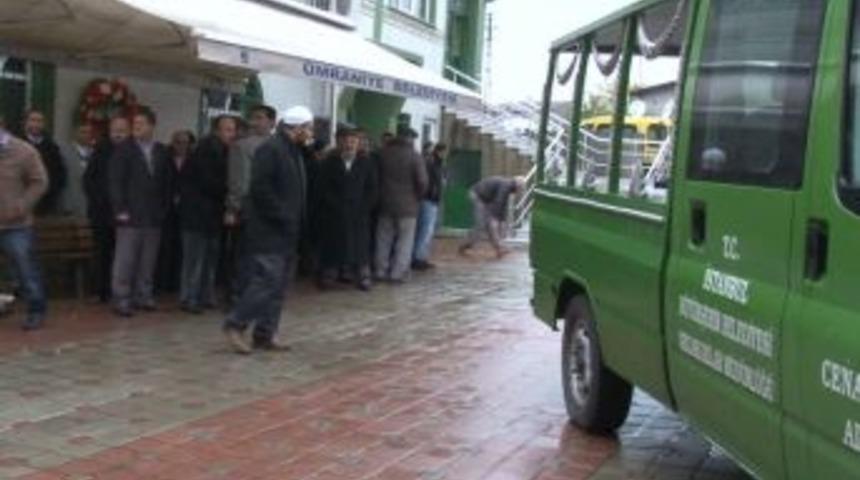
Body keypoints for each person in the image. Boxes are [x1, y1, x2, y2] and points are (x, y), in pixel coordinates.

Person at [223, 106, 313, 355]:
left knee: (279, 285)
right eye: (308, 128)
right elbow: (260, 189)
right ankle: (236, 323)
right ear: (296, 127)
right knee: (266, 281)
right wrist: (283, 215)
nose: (310, 133)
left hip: (287, 230)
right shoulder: (272, 149)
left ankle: (266, 332)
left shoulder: (293, 150)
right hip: (269, 229)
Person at [108, 108, 172, 317]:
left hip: (153, 214)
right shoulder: (124, 150)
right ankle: (121, 297)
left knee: (148, 259)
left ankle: (143, 295)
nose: (137, 127)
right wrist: (120, 208)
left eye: (141, 124)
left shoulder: (161, 151)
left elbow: (167, 182)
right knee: (126, 259)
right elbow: (115, 182)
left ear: (152, 126)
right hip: (130, 213)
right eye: (134, 124)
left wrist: (164, 208)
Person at [179, 116, 237, 314]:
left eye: (233, 130)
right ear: (216, 131)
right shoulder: (205, 151)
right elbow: (208, 182)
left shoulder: (223, 151)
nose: (231, 134)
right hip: (197, 214)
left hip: (212, 215)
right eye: (227, 130)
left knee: (209, 257)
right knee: (195, 259)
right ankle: (190, 297)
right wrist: (229, 189)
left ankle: (204, 295)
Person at [0, 115, 49, 330]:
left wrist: (21, 205)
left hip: (16, 225)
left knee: (26, 269)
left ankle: (36, 310)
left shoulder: (23, 151)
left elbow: (40, 181)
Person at [317, 124, 378, 291]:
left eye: (353, 141)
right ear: (339, 142)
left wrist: (365, 207)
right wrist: (333, 204)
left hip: (359, 212)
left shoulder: (366, 163)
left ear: (358, 143)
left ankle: (363, 276)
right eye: (345, 141)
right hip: (335, 212)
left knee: (360, 246)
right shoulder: (329, 163)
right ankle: (330, 274)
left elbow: (372, 189)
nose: (349, 145)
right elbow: (323, 188)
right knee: (334, 244)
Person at [225, 105, 275, 303]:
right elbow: (239, 182)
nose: (255, 122)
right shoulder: (243, 146)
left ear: (271, 122)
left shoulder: (280, 146)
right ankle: (239, 295)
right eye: (253, 118)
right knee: (245, 255)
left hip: (270, 212)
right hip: (251, 209)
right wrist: (233, 207)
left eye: (260, 118)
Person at [84, 116, 131, 302]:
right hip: (102, 213)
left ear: (128, 132)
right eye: (114, 131)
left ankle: (120, 290)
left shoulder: (133, 151)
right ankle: (100, 290)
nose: (118, 134)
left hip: (127, 213)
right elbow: (89, 180)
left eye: (122, 130)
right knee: (102, 253)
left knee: (123, 254)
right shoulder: (101, 150)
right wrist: (101, 199)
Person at [374, 127, 428, 283]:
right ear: (410, 139)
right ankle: (397, 273)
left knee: (383, 239)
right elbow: (422, 182)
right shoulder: (415, 157)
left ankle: (380, 270)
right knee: (405, 241)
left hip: (384, 203)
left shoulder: (382, 153)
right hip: (408, 206)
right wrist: (417, 197)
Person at [156, 129, 196, 294]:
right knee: (165, 247)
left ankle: (178, 283)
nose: (181, 146)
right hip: (166, 209)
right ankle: (163, 283)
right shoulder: (164, 159)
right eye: (178, 142)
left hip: (186, 210)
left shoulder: (194, 160)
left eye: (185, 143)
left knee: (182, 248)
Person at [459, 176, 526, 259]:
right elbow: (499, 202)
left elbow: (503, 206)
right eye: (520, 189)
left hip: (486, 199)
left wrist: (501, 220)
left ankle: (499, 249)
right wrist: (496, 219)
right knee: (481, 224)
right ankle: (464, 244)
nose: (519, 192)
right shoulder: (506, 186)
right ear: (518, 186)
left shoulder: (508, 186)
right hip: (477, 195)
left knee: (489, 225)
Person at [23, 109, 67, 215]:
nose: (36, 124)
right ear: (25, 122)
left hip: (46, 201)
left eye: (39, 121)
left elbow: (59, 172)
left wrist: (52, 191)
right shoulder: (18, 144)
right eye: (33, 120)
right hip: (21, 199)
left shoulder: (51, 146)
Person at [412, 143, 448, 271]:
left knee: (427, 230)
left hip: (431, 200)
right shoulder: (431, 164)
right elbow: (428, 182)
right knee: (425, 230)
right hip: (429, 199)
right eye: (443, 152)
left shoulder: (437, 164)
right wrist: (432, 193)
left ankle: (421, 256)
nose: (445, 155)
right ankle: (418, 258)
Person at [60, 123, 95, 218]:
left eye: (89, 132)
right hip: (70, 205)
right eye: (83, 132)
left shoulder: (95, 153)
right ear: (75, 133)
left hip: (90, 206)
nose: (86, 135)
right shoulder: (64, 152)